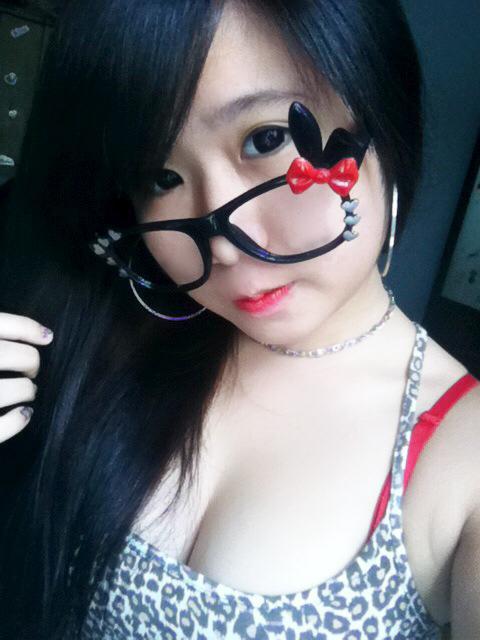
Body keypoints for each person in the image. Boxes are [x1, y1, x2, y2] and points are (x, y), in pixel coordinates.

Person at [0, 1, 478, 638]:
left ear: (381, 110)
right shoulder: (105, 339)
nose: (223, 242)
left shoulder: (462, 455)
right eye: (160, 176)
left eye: (267, 139)